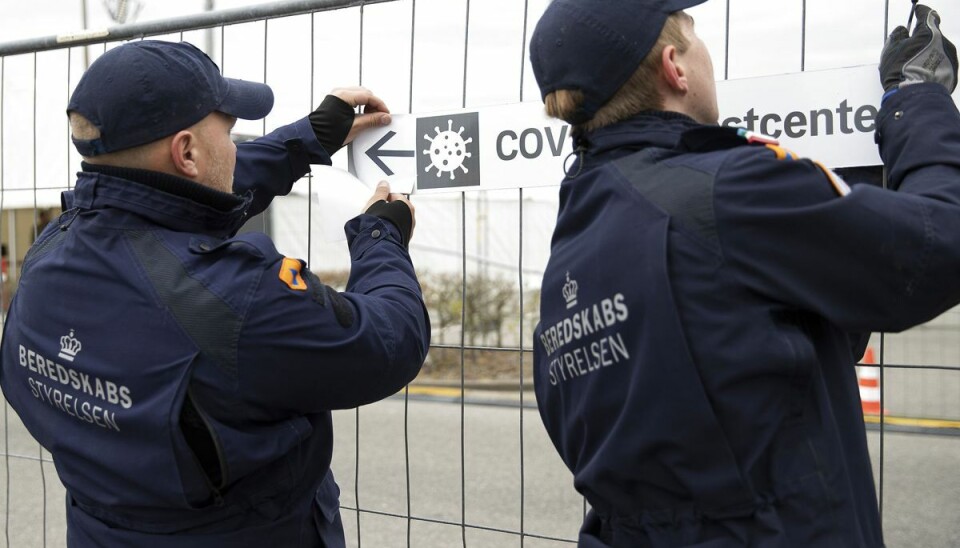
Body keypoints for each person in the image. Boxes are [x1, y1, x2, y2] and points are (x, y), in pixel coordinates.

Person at [530, 1, 959, 546]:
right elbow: (940, 243)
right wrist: (916, 101)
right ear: (675, 68)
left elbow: (754, 351)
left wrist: (843, 208)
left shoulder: (572, 245)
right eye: (694, 36)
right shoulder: (727, 191)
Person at [0, 40, 430, 547]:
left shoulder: (50, 254)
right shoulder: (236, 298)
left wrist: (305, 141)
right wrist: (381, 236)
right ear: (186, 151)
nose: (235, 144)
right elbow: (387, 343)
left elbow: (165, 193)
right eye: (228, 132)